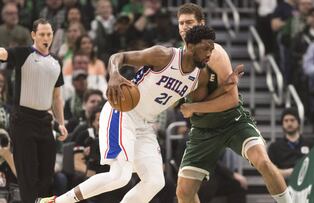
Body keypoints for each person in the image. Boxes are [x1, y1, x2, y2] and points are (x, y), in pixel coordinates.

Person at [37, 24, 224, 203]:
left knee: (155, 181)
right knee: (120, 176)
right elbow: (118, 57)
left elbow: (206, 100)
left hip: (144, 124)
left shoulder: (200, 77)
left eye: (212, 49)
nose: (209, 53)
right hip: (122, 112)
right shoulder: (164, 55)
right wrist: (115, 75)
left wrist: (227, 86)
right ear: (190, 45)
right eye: (206, 48)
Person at [175, 3, 292, 203]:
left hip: (232, 122)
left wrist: (193, 108)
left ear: (201, 24)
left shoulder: (215, 53)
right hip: (203, 129)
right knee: (183, 192)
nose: (184, 27)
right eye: (181, 23)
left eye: (189, 22)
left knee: (263, 161)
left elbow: (231, 100)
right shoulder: (177, 57)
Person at [0, 18, 68, 203]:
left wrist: (61, 123)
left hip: (45, 122)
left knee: (47, 174)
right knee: (28, 176)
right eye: (42, 34)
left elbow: (57, 97)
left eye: (49, 34)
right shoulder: (24, 54)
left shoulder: (56, 62)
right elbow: (3, 53)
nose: (46, 38)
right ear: (33, 35)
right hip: (23, 121)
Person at [268, 108, 314, 180]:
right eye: (286, 121)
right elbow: (270, 172)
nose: (289, 123)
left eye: (292, 120)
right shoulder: (274, 147)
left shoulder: (311, 144)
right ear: (282, 124)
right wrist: (289, 172)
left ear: (298, 122)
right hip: (284, 186)